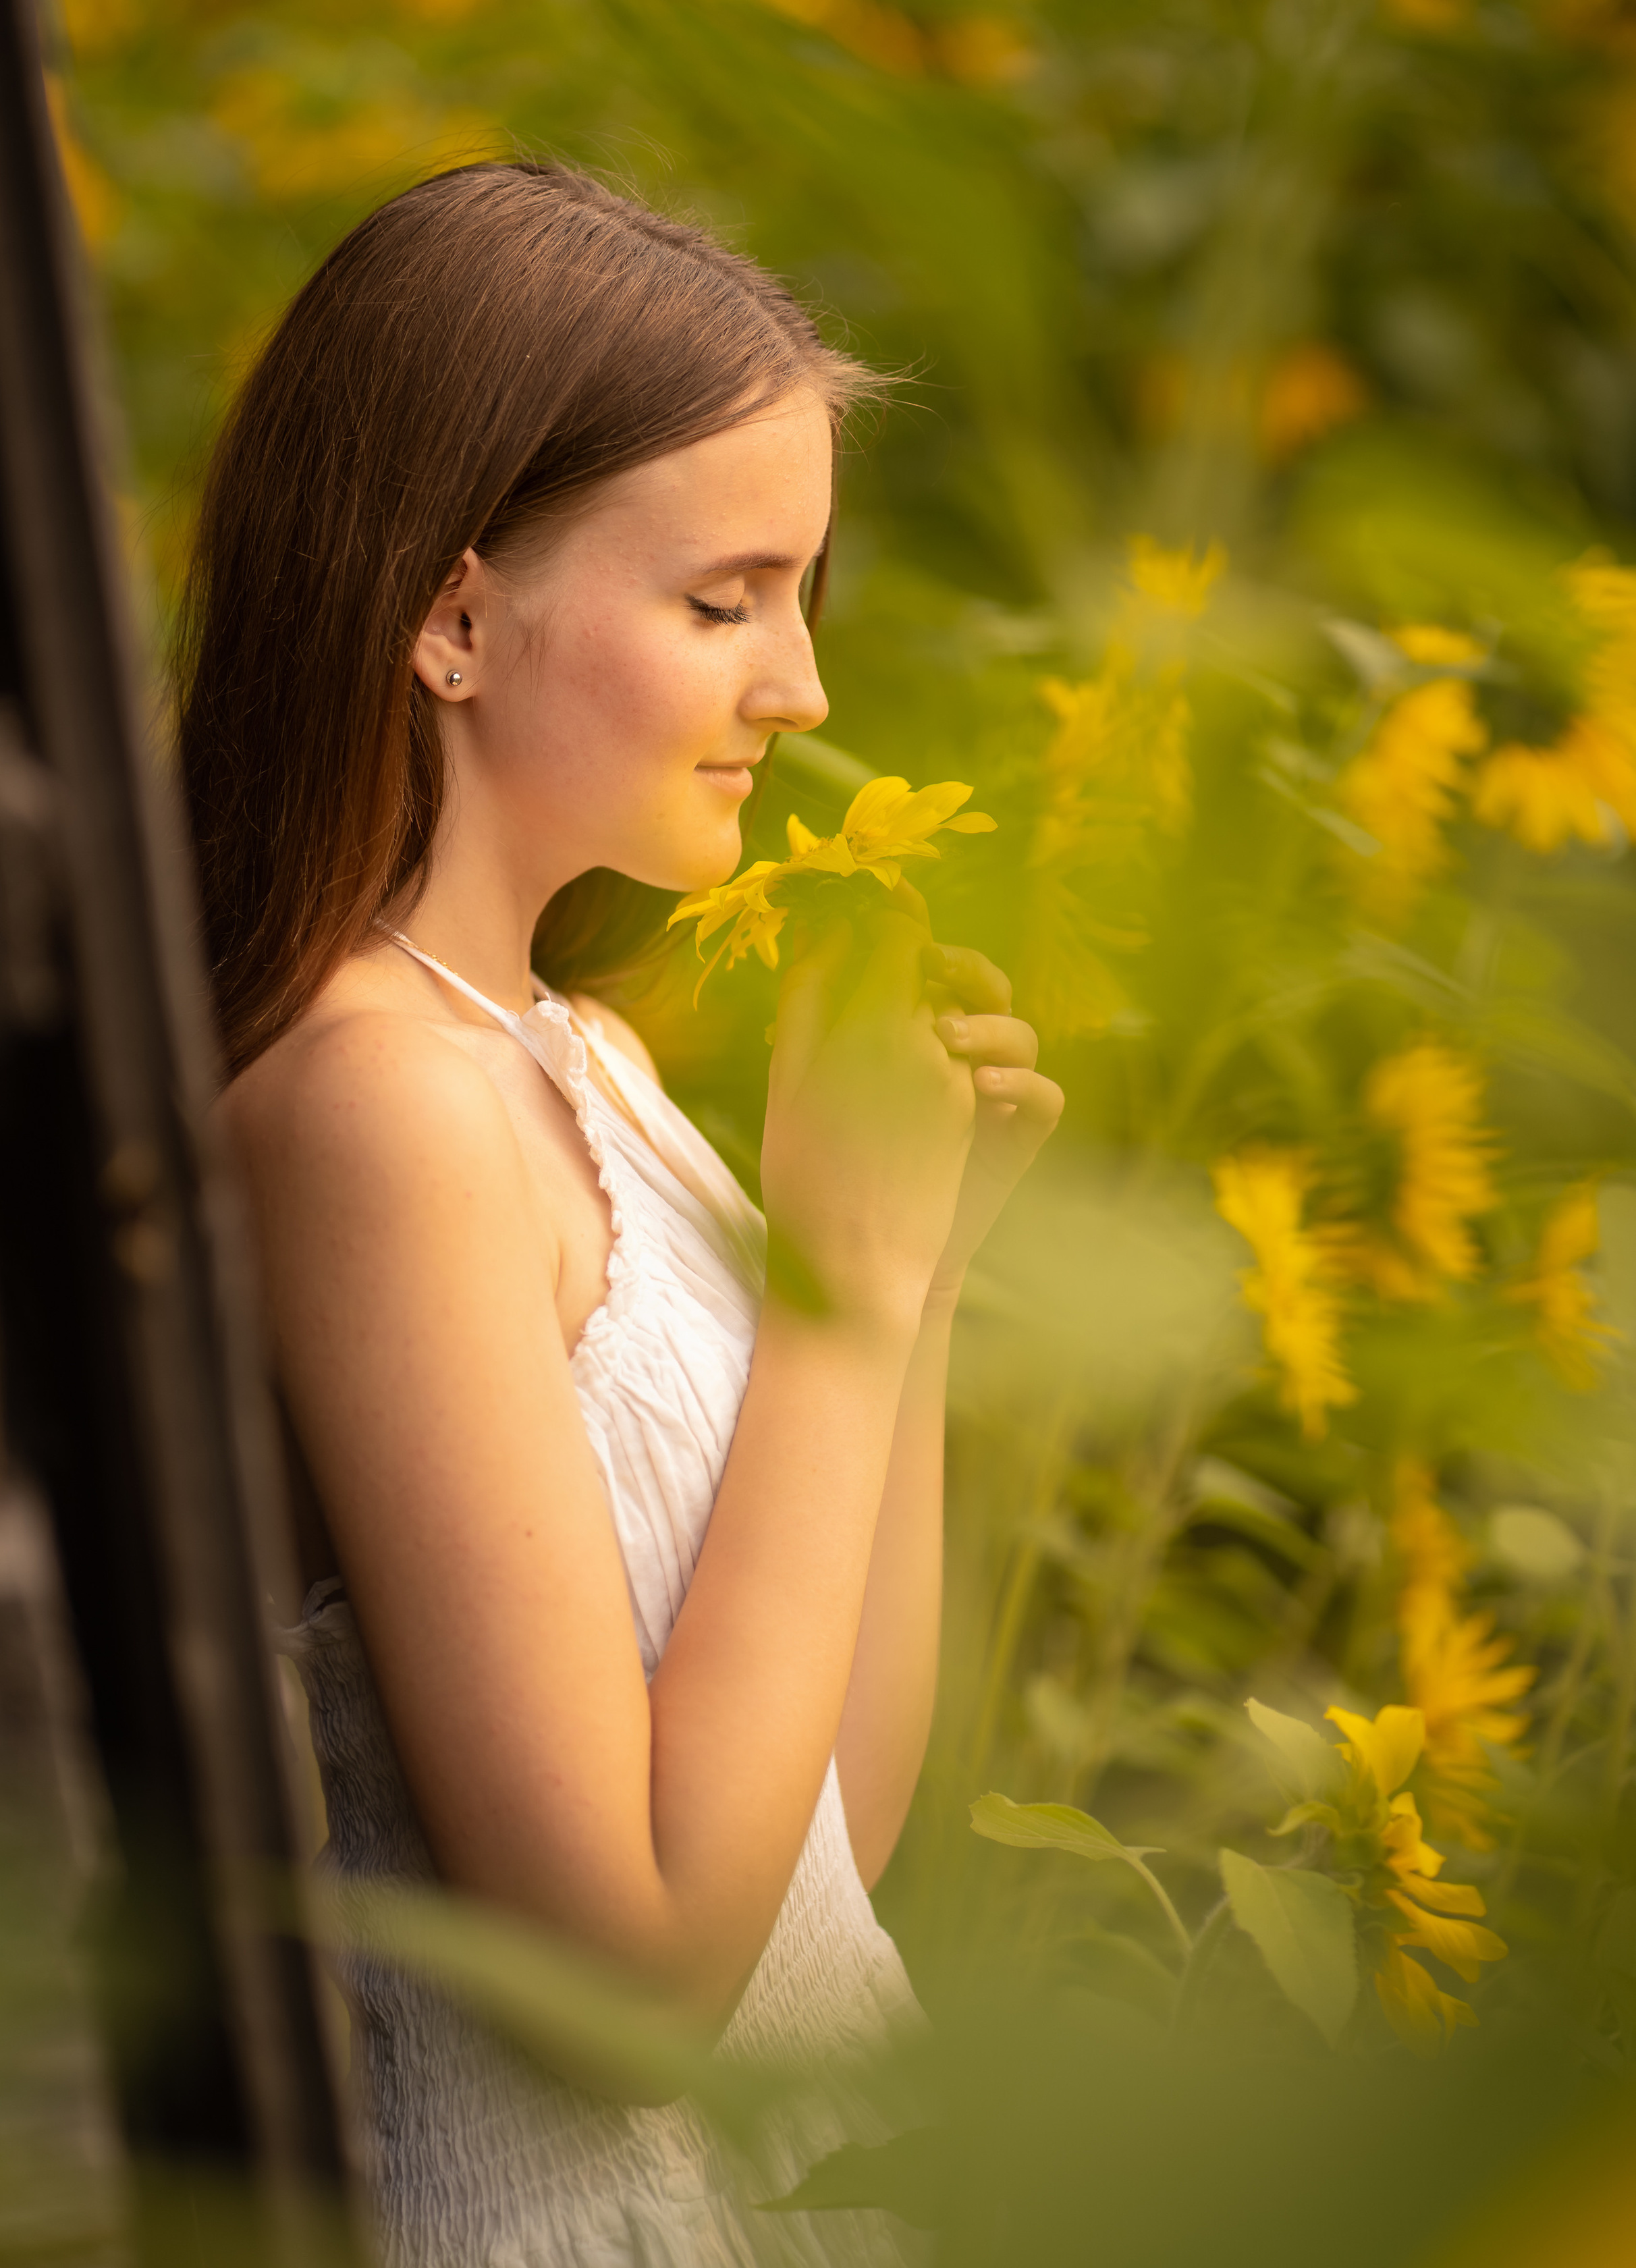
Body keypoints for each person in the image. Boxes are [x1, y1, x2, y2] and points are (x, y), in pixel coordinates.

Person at [178, 161, 1063, 2267]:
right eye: (720, 600)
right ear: (454, 615)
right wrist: (833, 1301)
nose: (803, 692)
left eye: (801, 600)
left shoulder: (585, 1062)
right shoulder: (372, 1107)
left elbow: (824, 1852)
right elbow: (636, 1993)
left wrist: (912, 1280)